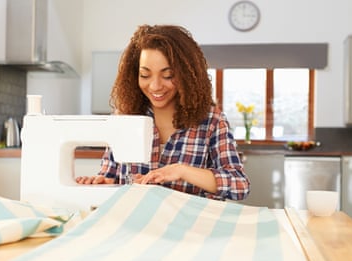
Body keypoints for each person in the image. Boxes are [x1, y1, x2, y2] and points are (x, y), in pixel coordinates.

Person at [76, 24, 249, 201]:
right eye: (145, 75)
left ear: (187, 76)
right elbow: (110, 174)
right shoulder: (124, 118)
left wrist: (181, 170)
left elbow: (239, 185)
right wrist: (102, 182)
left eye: (168, 75)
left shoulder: (211, 121)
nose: (155, 86)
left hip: (189, 225)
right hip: (136, 223)